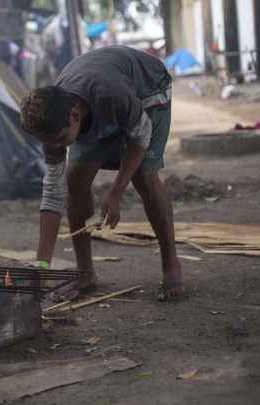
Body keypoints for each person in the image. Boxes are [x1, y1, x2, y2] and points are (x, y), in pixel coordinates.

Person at [19, 45, 184, 303]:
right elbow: (52, 196)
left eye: (59, 139)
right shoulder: (53, 122)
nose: (55, 147)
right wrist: (42, 266)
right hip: (99, 104)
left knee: (144, 176)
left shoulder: (110, 94)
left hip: (148, 92)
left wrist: (116, 193)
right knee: (75, 178)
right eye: (47, 142)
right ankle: (85, 272)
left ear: (74, 117)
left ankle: (171, 265)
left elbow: (140, 136)